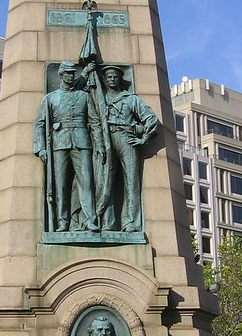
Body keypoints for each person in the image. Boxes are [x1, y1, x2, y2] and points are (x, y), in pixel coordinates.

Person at [33, 61, 104, 233]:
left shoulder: (84, 96)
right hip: (59, 143)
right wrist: (40, 148)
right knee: (61, 185)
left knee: (86, 183)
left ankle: (90, 220)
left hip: (82, 142)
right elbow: (39, 124)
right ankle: (62, 222)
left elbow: (94, 122)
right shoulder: (50, 98)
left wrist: (100, 143)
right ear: (61, 75)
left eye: (73, 73)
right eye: (68, 73)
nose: (71, 76)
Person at [99, 65, 158, 232]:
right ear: (104, 79)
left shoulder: (131, 99)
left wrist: (144, 138)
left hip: (127, 139)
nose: (112, 80)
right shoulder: (98, 98)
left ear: (119, 79)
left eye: (115, 77)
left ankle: (130, 222)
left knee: (131, 181)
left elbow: (151, 119)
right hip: (104, 140)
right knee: (105, 182)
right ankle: (106, 223)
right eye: (109, 77)